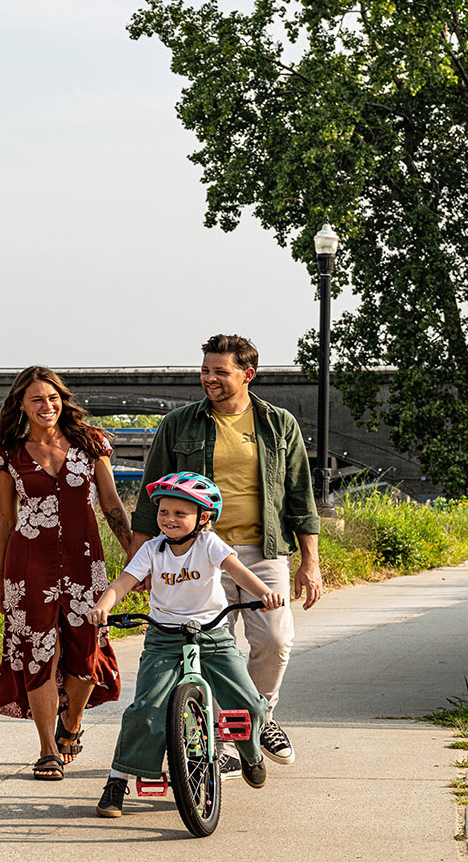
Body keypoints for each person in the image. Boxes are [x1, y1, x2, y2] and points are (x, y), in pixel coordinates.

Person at [136, 333, 324, 777]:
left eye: (220, 371)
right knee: (205, 649)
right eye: (205, 369)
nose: (210, 378)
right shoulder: (178, 425)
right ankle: (217, 737)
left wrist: (310, 563)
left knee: (275, 643)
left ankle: (259, 719)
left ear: (247, 374)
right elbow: (149, 500)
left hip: (265, 551)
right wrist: (141, 563)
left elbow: (300, 496)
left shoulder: (279, 425)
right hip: (198, 554)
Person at [87, 472, 286, 818]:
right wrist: (104, 605)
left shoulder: (209, 544)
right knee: (145, 712)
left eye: (180, 513)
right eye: (164, 512)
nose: (170, 519)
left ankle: (251, 753)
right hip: (164, 636)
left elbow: (237, 572)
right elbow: (123, 582)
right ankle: (117, 783)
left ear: (203, 517)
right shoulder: (152, 549)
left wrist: (264, 594)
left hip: (211, 635)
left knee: (251, 703)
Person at [0, 365, 145, 781]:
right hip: (28, 565)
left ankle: (71, 722)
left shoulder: (90, 444)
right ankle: (47, 749)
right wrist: (1, 579)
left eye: (53, 397)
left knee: (86, 650)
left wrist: (135, 555)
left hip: (84, 562)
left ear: (63, 399)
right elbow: (6, 520)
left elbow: (111, 503)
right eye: (37, 399)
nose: (47, 405)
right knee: (36, 651)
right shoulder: (8, 452)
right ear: (20, 404)